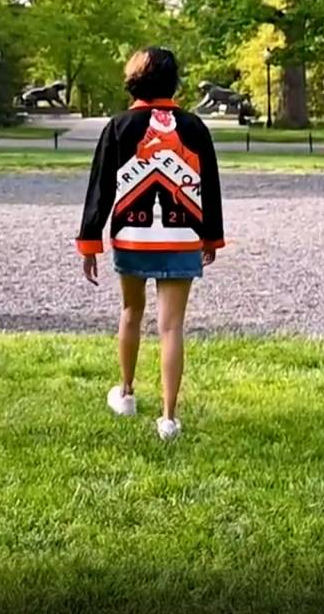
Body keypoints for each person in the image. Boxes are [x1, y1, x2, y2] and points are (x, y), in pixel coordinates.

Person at [76, 47, 225, 441]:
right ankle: (169, 418)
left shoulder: (120, 126)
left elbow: (101, 188)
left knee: (130, 312)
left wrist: (90, 240)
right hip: (182, 237)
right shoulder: (194, 127)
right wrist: (211, 235)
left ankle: (125, 393)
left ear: (135, 79)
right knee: (172, 326)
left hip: (133, 236)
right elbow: (209, 186)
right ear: (173, 80)